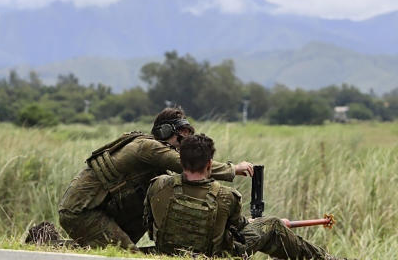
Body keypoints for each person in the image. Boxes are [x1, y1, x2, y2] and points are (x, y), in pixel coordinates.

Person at [58, 107, 254, 249]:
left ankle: (51, 244)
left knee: (110, 245)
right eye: (181, 138)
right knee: (127, 254)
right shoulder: (148, 148)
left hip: (96, 207)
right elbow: (184, 163)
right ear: (165, 132)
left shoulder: (153, 159)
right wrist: (234, 168)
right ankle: (52, 245)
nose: (184, 146)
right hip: (80, 210)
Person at [145, 133, 351, 260]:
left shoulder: (158, 185)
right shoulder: (226, 196)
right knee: (272, 225)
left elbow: (150, 224)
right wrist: (254, 222)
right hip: (216, 255)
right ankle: (323, 258)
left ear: (181, 161)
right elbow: (240, 231)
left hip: (168, 250)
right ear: (209, 164)